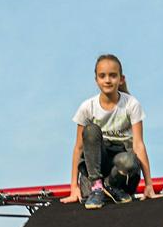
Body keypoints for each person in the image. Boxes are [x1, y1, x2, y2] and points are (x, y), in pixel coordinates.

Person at [63, 53, 155, 209]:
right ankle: (98, 187)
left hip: (120, 171)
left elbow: (139, 145)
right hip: (97, 166)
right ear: (96, 80)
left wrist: (149, 184)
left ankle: (111, 185)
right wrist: (74, 187)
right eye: (102, 76)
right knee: (91, 130)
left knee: (129, 160)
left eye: (113, 75)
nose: (107, 80)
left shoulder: (131, 104)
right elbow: (78, 147)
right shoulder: (88, 107)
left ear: (121, 79)